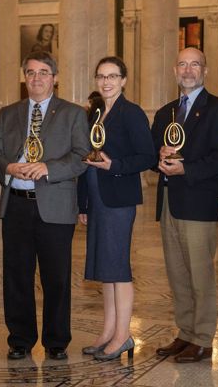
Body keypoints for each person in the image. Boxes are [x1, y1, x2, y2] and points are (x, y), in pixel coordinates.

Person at [0, 51, 89, 360]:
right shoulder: (9, 113)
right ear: (24, 77)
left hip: (55, 206)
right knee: (16, 275)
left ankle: (56, 341)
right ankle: (20, 340)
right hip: (17, 205)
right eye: (30, 72)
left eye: (43, 72)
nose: (36, 78)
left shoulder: (72, 113)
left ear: (54, 78)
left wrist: (48, 168)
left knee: (56, 277)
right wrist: (8, 167)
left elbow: (81, 156)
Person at [151, 48, 218, 363]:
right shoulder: (165, 112)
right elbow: (151, 153)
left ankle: (202, 338)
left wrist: (187, 169)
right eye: (183, 64)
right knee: (177, 272)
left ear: (205, 70)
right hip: (169, 200)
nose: (188, 70)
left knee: (200, 273)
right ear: (175, 70)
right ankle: (185, 332)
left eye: (195, 64)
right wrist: (158, 159)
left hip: (199, 199)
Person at [77, 56, 155, 360]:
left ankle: (123, 336)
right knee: (105, 269)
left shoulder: (131, 113)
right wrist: (83, 202)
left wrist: (115, 166)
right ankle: (108, 331)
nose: (106, 82)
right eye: (101, 76)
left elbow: (146, 156)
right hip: (96, 199)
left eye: (112, 76)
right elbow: (87, 158)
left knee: (118, 268)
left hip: (118, 200)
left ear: (123, 80)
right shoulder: (97, 114)